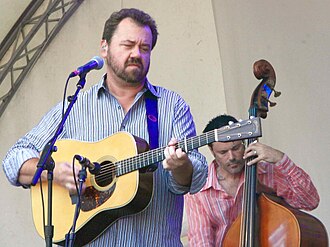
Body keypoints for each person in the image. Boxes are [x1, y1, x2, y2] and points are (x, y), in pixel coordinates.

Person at [2, 8, 208, 246]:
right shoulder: (76, 106)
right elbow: (13, 159)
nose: (136, 54)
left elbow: (191, 180)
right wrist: (56, 172)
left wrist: (181, 166)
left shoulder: (172, 106)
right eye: (128, 45)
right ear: (104, 47)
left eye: (144, 48)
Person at [184, 114, 320, 246]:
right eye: (223, 152)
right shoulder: (199, 189)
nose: (231, 157)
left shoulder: (266, 172)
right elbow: (200, 240)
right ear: (212, 151)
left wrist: (280, 159)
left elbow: (310, 201)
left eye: (236, 148)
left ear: (244, 142)